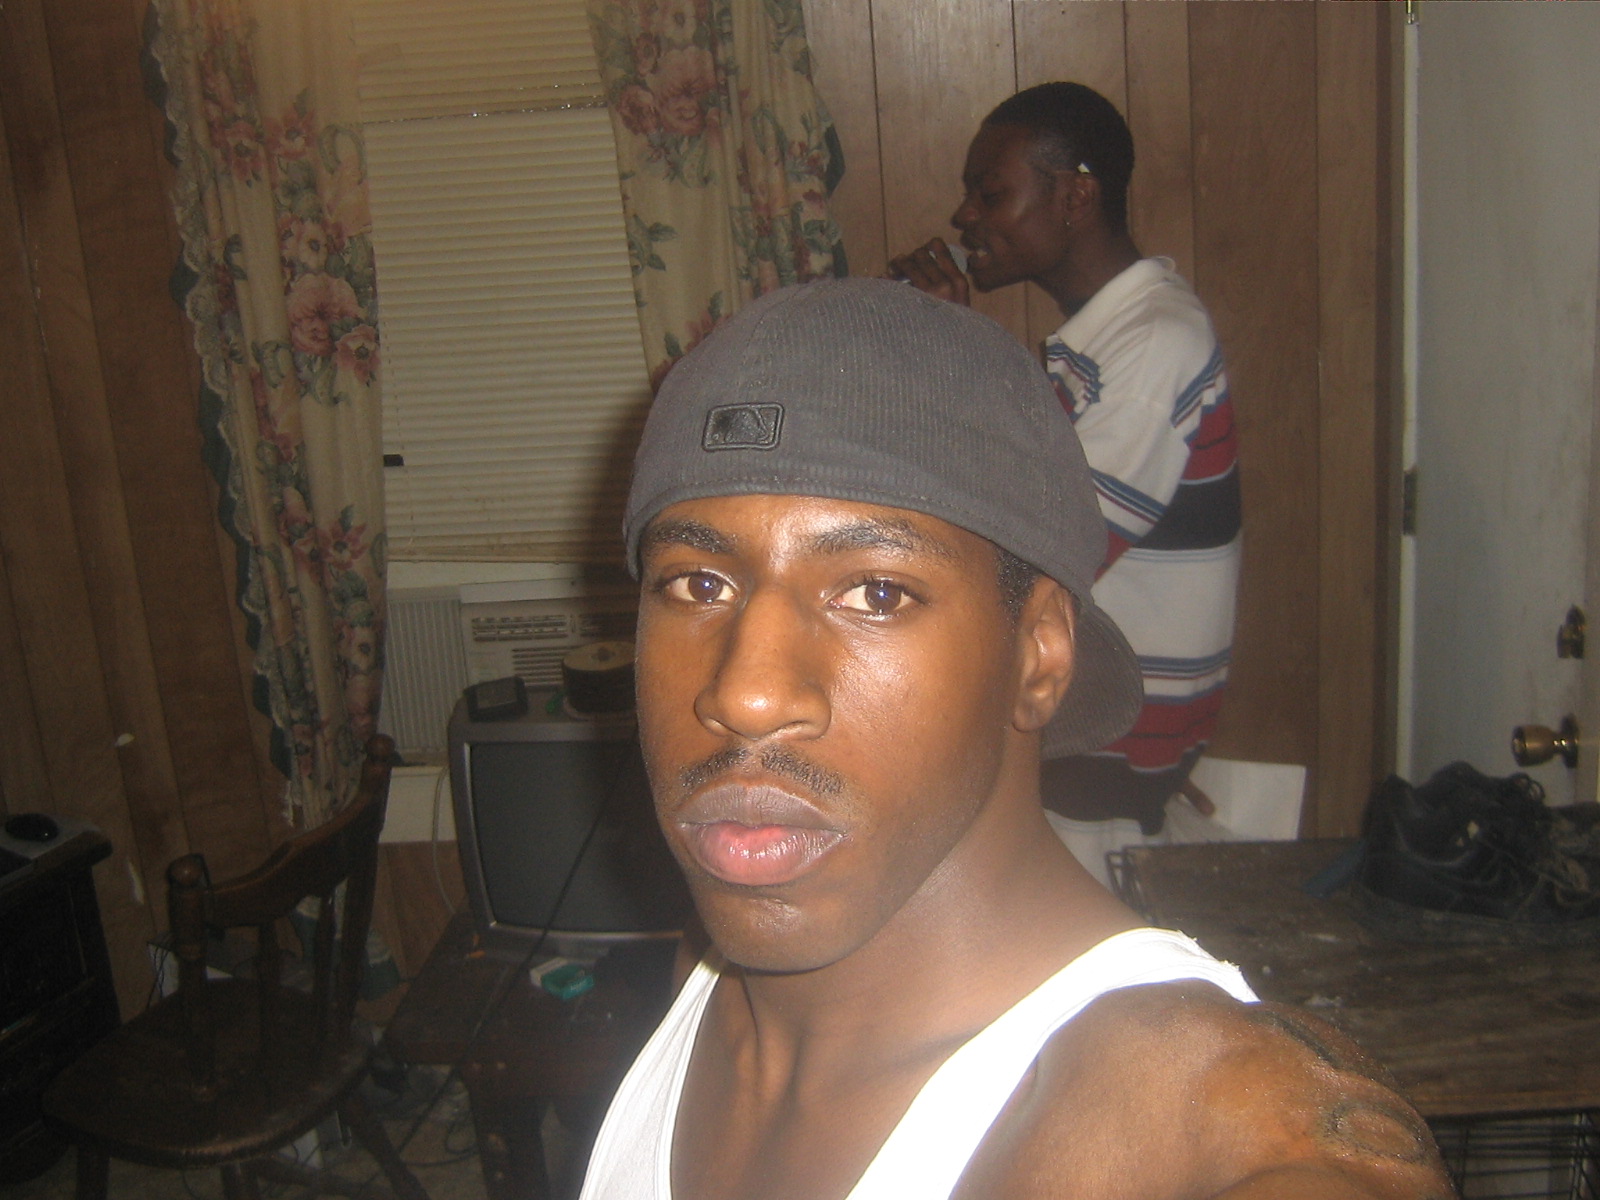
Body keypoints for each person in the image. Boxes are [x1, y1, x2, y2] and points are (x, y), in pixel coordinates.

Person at [577, 278, 1449, 1199]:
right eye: (696, 583)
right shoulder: (708, 979)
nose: (745, 695)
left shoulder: (1197, 1108)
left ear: (1038, 655)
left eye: (876, 592)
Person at [888, 82, 1242, 862]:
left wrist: (956, 351)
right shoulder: (1103, 342)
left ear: (1076, 197)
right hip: (1086, 731)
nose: (964, 216)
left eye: (991, 193)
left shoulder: (1156, 346)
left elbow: (1046, 541)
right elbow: (1016, 478)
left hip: (1108, 744)